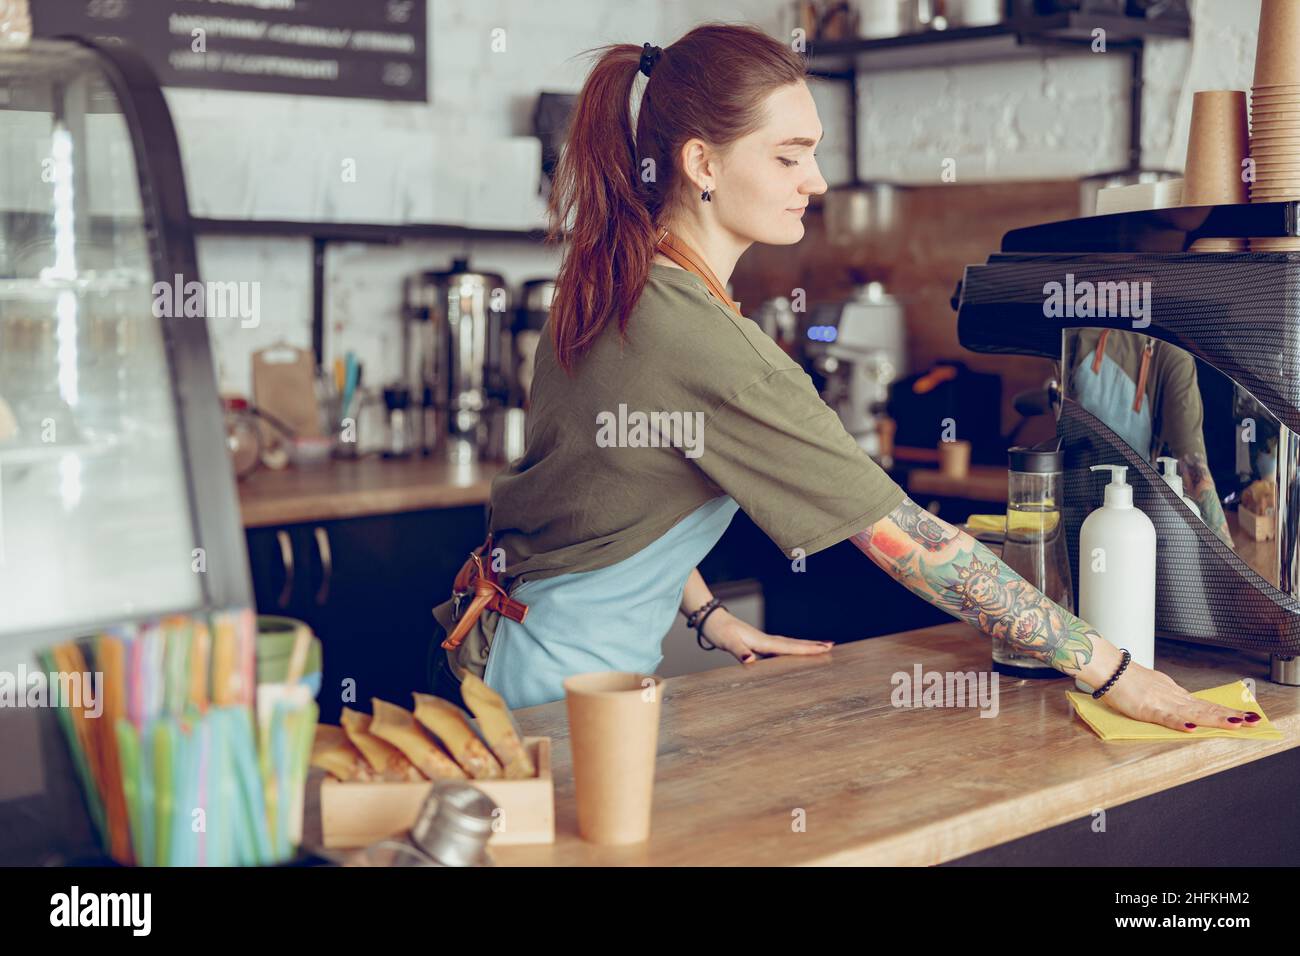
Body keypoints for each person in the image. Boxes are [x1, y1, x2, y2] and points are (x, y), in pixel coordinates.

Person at [427, 23, 1257, 735]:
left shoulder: (615, 279)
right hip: (554, 703)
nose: (816, 182)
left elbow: (613, 481)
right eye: (790, 157)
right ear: (700, 163)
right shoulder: (708, 343)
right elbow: (910, 543)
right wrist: (1113, 672)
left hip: (506, 660)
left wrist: (707, 614)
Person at [1066, 327, 1233, 547]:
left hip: (1098, 516)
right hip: (1114, 518)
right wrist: (1227, 552)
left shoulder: (1171, 356)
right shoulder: (1175, 356)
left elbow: (1193, 469)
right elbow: (1194, 469)